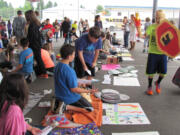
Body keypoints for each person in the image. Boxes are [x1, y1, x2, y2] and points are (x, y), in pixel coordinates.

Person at [54, 45, 97, 114]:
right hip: (68, 97)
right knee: (90, 108)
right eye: (73, 54)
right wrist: (88, 91)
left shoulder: (57, 65)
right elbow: (74, 89)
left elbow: (64, 79)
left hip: (59, 95)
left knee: (81, 86)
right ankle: (66, 106)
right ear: (69, 56)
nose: (74, 56)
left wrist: (79, 80)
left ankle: (60, 104)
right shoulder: (69, 70)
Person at [145, 10, 167, 95]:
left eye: (160, 16)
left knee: (163, 72)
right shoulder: (152, 27)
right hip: (153, 53)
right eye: (157, 16)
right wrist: (138, 28)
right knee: (150, 72)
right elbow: (144, 36)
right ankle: (149, 86)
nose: (158, 18)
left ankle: (158, 82)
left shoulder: (166, 27)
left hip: (163, 53)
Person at [25, 10, 48, 78]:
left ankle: (43, 73)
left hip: (34, 45)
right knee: (38, 59)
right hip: (38, 44)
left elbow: (32, 37)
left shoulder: (32, 25)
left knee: (37, 59)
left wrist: (27, 43)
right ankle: (42, 72)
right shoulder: (37, 23)